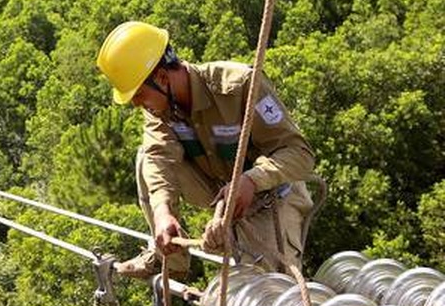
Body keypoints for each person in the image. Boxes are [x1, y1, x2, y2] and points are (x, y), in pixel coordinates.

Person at [96, 21, 315, 279]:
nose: (136, 104)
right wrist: (163, 213)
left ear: (162, 78)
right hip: (219, 192)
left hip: (272, 196)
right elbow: (159, 159)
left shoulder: (240, 86)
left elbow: (300, 153)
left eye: (139, 95)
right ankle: (170, 259)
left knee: (268, 291)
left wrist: (252, 180)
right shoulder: (160, 109)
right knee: (146, 157)